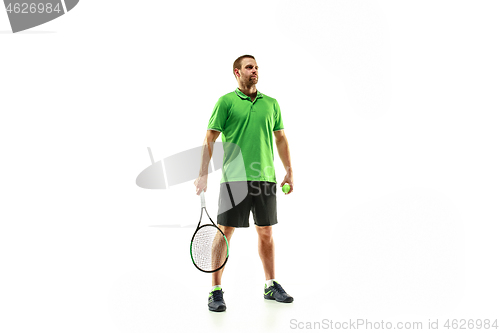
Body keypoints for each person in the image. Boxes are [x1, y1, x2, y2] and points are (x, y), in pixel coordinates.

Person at [193, 55, 294, 312]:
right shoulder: (225, 102)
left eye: (257, 67)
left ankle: (270, 285)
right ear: (237, 72)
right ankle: (215, 290)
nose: (255, 71)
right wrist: (203, 172)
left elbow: (280, 139)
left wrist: (288, 171)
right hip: (234, 179)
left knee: (266, 232)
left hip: (266, 179)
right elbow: (210, 137)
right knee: (225, 232)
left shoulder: (271, 104)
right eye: (249, 67)